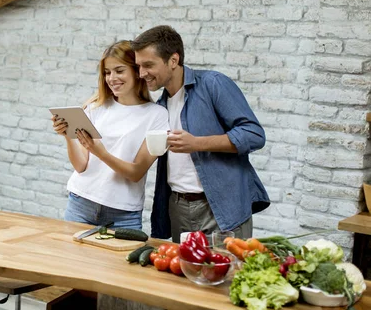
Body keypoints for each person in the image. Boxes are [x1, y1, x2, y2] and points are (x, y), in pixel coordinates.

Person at [131, 25, 269, 242]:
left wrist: (197, 143)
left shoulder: (212, 84)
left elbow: (254, 134)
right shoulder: (160, 106)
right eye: (139, 66)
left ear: (173, 60)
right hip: (177, 208)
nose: (141, 74)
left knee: (228, 274)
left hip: (220, 207)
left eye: (148, 65)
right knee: (183, 274)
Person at [51, 40, 168, 230]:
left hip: (123, 214)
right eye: (107, 72)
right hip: (81, 204)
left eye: (119, 70)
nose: (112, 78)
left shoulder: (157, 115)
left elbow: (136, 173)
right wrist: (68, 135)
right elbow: (81, 166)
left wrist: (101, 153)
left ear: (136, 71)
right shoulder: (96, 107)